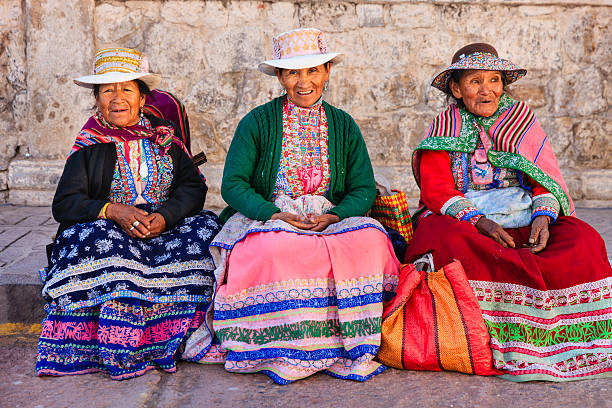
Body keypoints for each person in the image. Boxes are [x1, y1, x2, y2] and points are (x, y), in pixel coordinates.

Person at [183, 28, 400, 384]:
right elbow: (233, 184)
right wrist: (273, 214)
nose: (304, 81)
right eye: (293, 72)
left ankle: (351, 341)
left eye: (313, 70)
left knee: (372, 243)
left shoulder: (344, 125)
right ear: (281, 77)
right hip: (273, 214)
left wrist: (336, 215)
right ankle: (281, 344)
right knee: (272, 249)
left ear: (327, 71)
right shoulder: (257, 122)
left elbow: (362, 188)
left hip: (331, 217)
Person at [405, 43, 611, 381]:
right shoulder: (444, 126)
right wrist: (478, 221)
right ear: (456, 88)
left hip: (523, 217)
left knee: (583, 239)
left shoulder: (522, 122)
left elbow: (544, 179)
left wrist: (543, 218)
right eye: (474, 81)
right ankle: (477, 339)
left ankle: (572, 338)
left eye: (494, 80)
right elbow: (437, 190)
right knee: (445, 239)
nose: (487, 90)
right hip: (468, 222)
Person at [36, 47, 221, 380]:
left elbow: (193, 189)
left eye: (126, 89)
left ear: (141, 98)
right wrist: (111, 210)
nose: (117, 98)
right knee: (102, 248)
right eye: (107, 90)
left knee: (208, 235)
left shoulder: (164, 138)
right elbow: (65, 203)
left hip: (162, 225)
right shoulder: (89, 145)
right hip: (111, 228)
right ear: (97, 99)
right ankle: (122, 345)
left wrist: (166, 215)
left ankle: (187, 337)